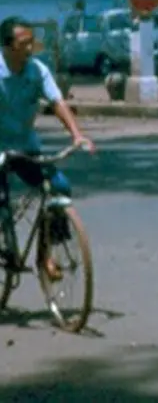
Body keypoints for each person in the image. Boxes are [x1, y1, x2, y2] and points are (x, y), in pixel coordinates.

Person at [0, 17, 96, 281]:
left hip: (25, 148)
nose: (30, 48)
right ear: (7, 47)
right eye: (24, 43)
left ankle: (44, 255)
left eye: (32, 42)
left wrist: (77, 135)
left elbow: (57, 102)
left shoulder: (36, 70)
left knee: (59, 187)